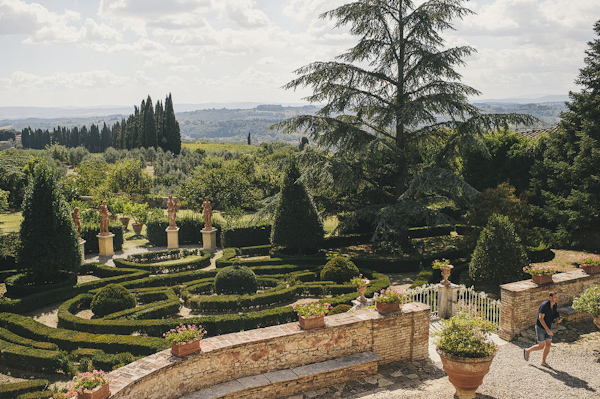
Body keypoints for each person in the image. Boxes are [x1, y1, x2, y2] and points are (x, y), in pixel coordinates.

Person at [524, 291, 560, 369]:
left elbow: (554, 314)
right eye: (555, 297)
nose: (557, 299)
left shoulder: (554, 305)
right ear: (551, 298)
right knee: (541, 346)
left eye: (557, 297)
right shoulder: (544, 305)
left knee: (548, 344)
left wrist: (557, 319)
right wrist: (547, 330)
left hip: (548, 326)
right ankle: (527, 350)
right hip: (541, 327)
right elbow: (541, 318)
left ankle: (543, 362)